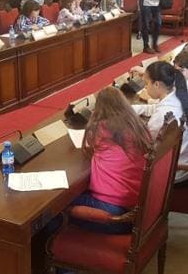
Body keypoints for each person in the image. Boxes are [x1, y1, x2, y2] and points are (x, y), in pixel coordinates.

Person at [64, 86, 152, 234]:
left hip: (114, 216)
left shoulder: (99, 129)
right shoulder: (139, 127)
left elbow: (87, 146)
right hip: (137, 209)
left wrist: (93, 119)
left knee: (52, 210)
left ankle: (56, 248)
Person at [133, 61, 188, 183]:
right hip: (186, 161)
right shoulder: (179, 95)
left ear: (156, 84)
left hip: (175, 172)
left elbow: (145, 144)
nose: (145, 88)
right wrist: (132, 109)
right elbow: (157, 107)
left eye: (146, 84)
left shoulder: (162, 115)